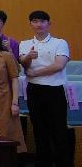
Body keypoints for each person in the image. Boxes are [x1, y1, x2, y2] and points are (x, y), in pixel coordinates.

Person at [19, 11, 71, 167]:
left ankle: (63, 163)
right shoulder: (25, 44)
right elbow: (23, 64)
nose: (39, 24)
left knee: (59, 129)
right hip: (34, 90)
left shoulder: (59, 42)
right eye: (35, 21)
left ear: (49, 23)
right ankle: (43, 162)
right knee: (39, 129)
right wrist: (28, 57)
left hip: (54, 90)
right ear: (30, 24)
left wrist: (35, 73)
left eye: (42, 21)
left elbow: (59, 65)